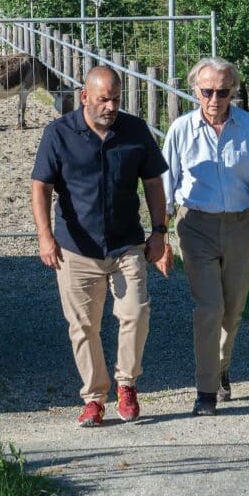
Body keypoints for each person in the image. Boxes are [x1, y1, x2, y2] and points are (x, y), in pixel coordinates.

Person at [31, 65, 169, 427]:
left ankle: (127, 384)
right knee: (82, 326)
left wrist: (159, 231)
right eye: (103, 99)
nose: (110, 106)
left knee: (136, 313)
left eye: (116, 99)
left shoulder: (135, 131)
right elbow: (40, 187)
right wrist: (44, 236)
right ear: (84, 97)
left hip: (126, 244)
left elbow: (154, 184)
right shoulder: (58, 134)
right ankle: (94, 396)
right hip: (76, 247)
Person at [162, 56, 249, 416]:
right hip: (195, 225)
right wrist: (159, 235)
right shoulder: (181, 130)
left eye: (223, 91)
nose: (215, 99)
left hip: (240, 226)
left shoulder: (247, 128)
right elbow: (165, 187)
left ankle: (222, 366)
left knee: (233, 311)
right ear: (195, 90)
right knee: (209, 308)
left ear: (233, 91)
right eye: (208, 91)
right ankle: (206, 390)